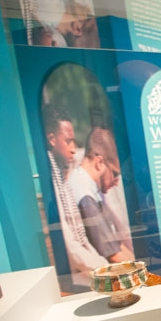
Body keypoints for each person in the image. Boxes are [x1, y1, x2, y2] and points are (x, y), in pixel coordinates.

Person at [43, 105, 107, 281]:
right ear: (52, 139)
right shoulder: (52, 181)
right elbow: (70, 245)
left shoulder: (61, 177)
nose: (73, 149)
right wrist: (106, 270)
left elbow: (81, 240)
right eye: (68, 141)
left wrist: (105, 267)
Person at [68, 127, 134, 264]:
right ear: (99, 162)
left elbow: (115, 244)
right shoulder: (85, 194)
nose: (116, 183)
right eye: (115, 174)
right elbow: (114, 255)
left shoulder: (87, 187)